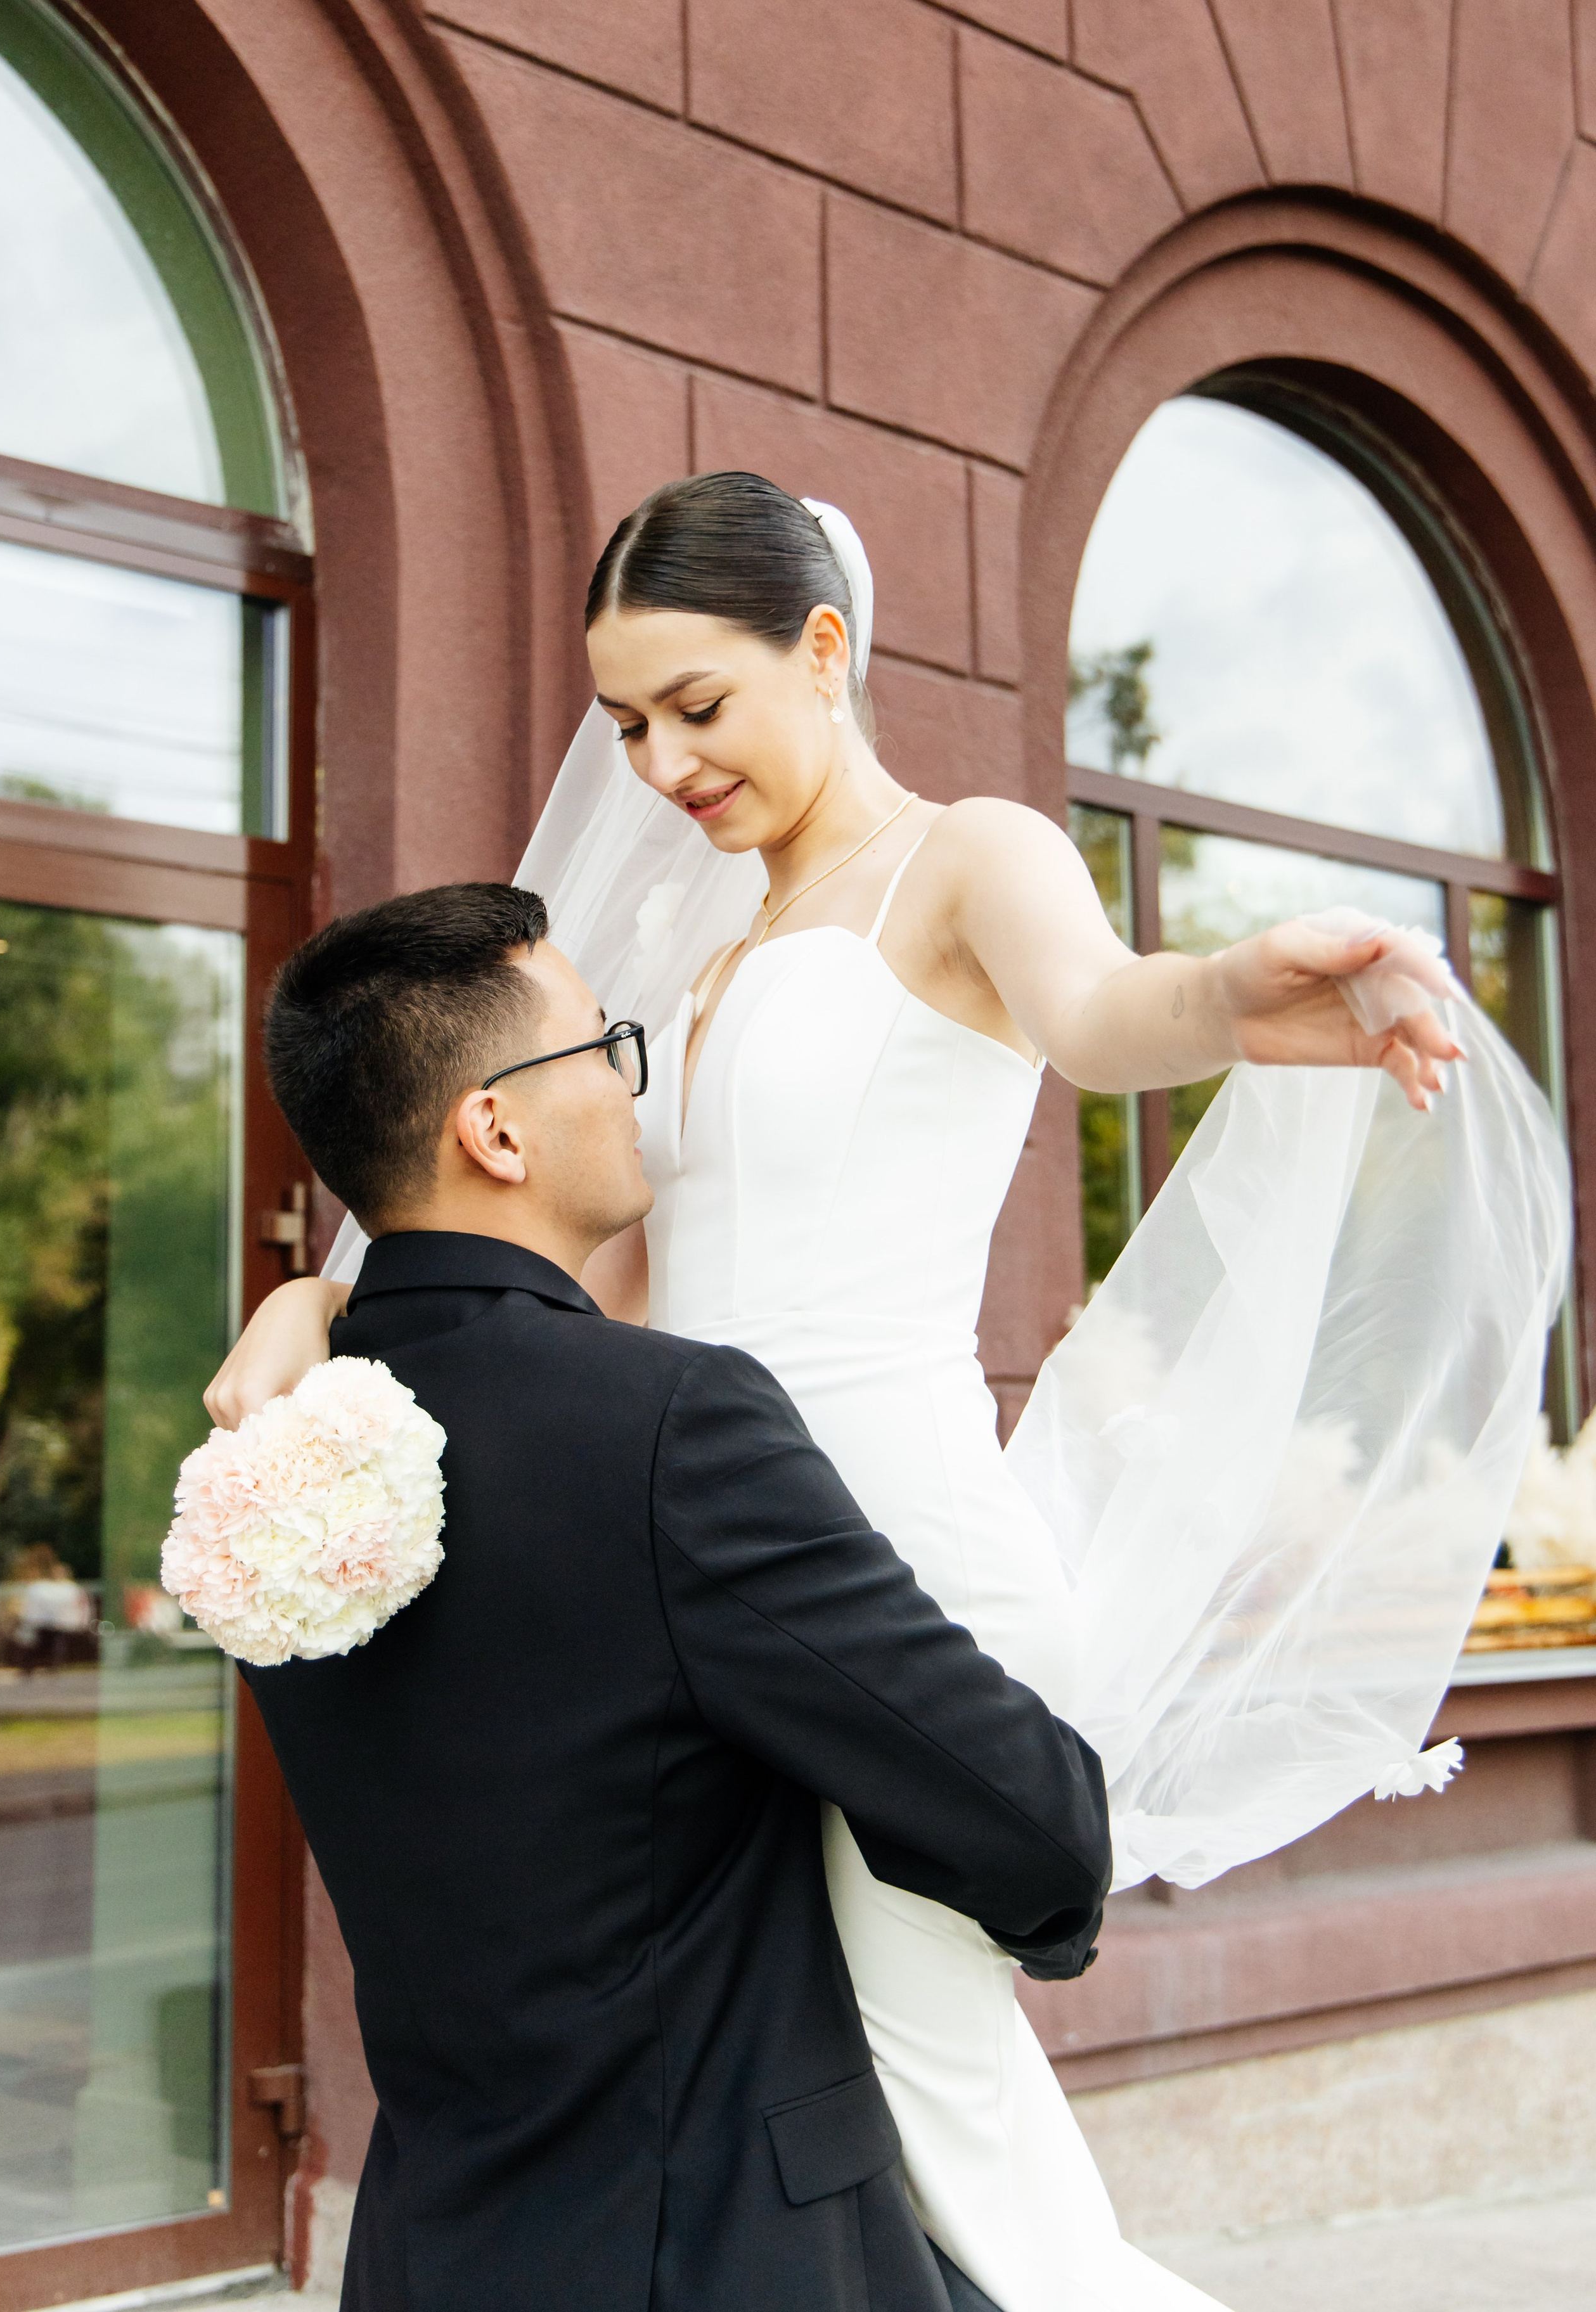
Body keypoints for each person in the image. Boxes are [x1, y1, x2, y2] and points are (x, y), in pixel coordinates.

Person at [211, 475, 1567, 2311]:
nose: (661, 765)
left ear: (824, 649)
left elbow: (1107, 1015)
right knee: (822, 2113)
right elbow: (572, 1273)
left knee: (944, 2118)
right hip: (697, 1588)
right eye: (627, 724)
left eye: (697, 705)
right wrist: (317, 1302)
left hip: (894, 1570)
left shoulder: (965, 858)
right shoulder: (698, 956)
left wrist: (1229, 990)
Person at [243, 880, 1112, 2312]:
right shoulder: (669, 1424)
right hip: (723, 2253)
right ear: (495, 1129)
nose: (629, 1086)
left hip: (431, 2253)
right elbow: (1026, 1816)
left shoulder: (269, 1459)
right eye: (602, 1046)